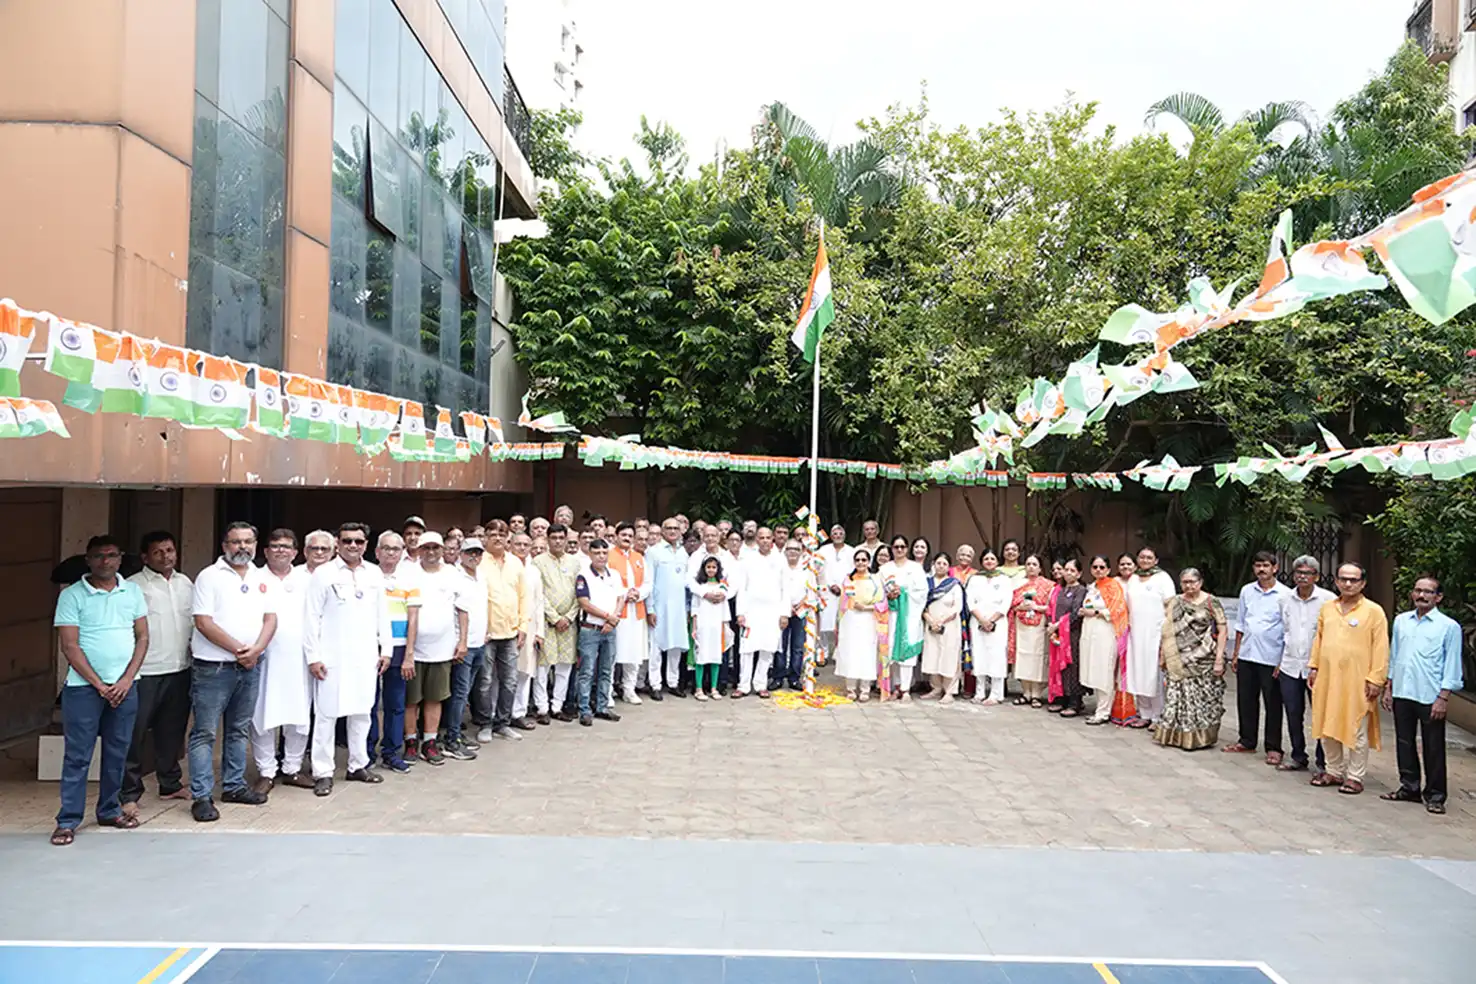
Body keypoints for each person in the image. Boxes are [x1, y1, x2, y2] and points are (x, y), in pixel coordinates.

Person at [50, 536, 149, 846]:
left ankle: (109, 810)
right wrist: (100, 685)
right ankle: (68, 820)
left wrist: (126, 680)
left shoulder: (132, 591)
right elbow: (70, 646)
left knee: (118, 752)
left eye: (111, 555)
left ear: (120, 559)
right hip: (84, 689)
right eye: (98, 556)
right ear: (88, 560)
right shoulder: (72, 595)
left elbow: (143, 637)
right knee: (78, 756)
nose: (105, 561)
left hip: (125, 687)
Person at [188, 522, 277, 822]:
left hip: (251, 666)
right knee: (205, 732)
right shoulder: (209, 576)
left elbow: (271, 619)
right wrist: (242, 651)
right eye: (236, 542)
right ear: (224, 545)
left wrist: (256, 650)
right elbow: (203, 622)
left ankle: (234, 786)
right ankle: (201, 796)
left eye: (248, 541)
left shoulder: (261, 576)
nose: (242, 547)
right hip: (214, 668)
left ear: (255, 544)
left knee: (239, 729)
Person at [303, 522, 392, 794]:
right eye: (347, 541)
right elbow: (311, 617)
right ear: (338, 544)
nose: (353, 545)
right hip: (331, 656)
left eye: (358, 541)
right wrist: (313, 656)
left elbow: (383, 613)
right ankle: (323, 772)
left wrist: (386, 650)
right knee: (326, 715)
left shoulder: (374, 573)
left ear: (366, 544)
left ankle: (357, 765)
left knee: (362, 712)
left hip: (366, 656)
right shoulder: (324, 573)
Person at [121, 531, 193, 818]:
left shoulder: (185, 583)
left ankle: (170, 783)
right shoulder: (132, 587)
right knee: (134, 734)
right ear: (145, 557)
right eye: (158, 552)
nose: (166, 556)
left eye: (170, 550)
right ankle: (128, 793)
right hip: (145, 671)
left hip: (179, 668)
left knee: (172, 731)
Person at [1381, 575, 1463, 815]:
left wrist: (1443, 697)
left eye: (1428, 592)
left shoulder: (1448, 627)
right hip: (1403, 691)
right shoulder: (1401, 621)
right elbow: (1395, 655)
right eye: (1418, 590)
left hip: (1431, 695)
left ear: (1438, 597)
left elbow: (1452, 664)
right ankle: (1409, 787)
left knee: (1433, 746)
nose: (1422, 595)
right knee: (1404, 742)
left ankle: (1436, 795)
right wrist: (1389, 687)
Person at [249, 529, 320, 793]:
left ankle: (292, 768)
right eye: (275, 546)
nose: (281, 550)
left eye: (286, 546)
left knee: (298, 716)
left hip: (300, 659)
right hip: (264, 658)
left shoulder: (307, 579)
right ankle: (266, 772)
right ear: (265, 551)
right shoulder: (254, 578)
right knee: (261, 715)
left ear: (295, 552)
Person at [1309, 563, 1389, 796]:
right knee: (1326, 724)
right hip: (1328, 677)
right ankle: (1333, 771)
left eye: (1353, 580)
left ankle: (1355, 776)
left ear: (1363, 583)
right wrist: (1314, 667)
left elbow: (1381, 647)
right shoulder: (1328, 608)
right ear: (1336, 581)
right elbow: (1318, 640)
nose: (1348, 583)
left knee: (1357, 729)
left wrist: (1376, 679)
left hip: (1358, 681)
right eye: (1343, 579)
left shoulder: (1373, 611)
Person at [405, 532, 469, 766]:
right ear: (419, 550)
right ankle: (410, 742)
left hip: (443, 649)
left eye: (435, 548)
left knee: (435, 698)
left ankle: (429, 742)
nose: (431, 552)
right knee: (411, 700)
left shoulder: (452, 573)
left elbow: (463, 610)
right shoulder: (409, 572)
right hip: (413, 649)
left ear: (442, 550)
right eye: (426, 548)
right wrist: (408, 652)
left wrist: (462, 642)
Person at [1223, 552, 1292, 764]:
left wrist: (1282, 661)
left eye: (1265, 565)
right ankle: (1247, 740)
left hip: (1271, 657)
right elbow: (1241, 623)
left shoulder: (1285, 594)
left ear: (1275, 568)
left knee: (1273, 703)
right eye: (1258, 565)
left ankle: (1273, 747)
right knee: (1245, 699)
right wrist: (1236, 654)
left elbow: (1288, 630)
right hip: (1247, 653)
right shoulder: (1247, 590)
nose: (1261, 569)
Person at [1153, 568, 1229, 750]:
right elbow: (1167, 631)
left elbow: (1223, 629)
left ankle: (1201, 738)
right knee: (1177, 698)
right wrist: (1163, 655)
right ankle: (1177, 737)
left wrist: (1219, 659)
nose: (1188, 586)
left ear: (1200, 582)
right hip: (1177, 658)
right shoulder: (1175, 602)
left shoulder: (1211, 601)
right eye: (1185, 582)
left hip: (1203, 658)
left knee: (1204, 699)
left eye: (1192, 582)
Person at [1276, 555, 1334, 772]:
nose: (1302, 577)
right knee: (1293, 713)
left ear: (1316, 576)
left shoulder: (1328, 600)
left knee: (1320, 714)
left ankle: (1323, 760)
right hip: (1290, 665)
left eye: (1308, 573)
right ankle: (1298, 755)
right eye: (1299, 573)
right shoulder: (1285, 599)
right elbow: (1284, 631)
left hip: (1317, 668)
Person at [475, 520, 527, 743]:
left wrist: (523, 626)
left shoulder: (515, 563)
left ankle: (503, 724)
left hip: (511, 632)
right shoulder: (479, 562)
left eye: (502, 534)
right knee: (485, 681)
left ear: (508, 538)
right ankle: (485, 723)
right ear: (485, 537)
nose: (497, 538)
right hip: (487, 633)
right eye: (493, 534)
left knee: (510, 680)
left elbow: (523, 597)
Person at [372, 531, 420, 772]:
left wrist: (409, 654)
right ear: (377, 551)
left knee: (396, 702)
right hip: (371, 645)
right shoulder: (368, 575)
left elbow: (413, 619)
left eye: (396, 549)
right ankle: (366, 752)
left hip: (400, 647)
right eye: (386, 548)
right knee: (369, 703)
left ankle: (391, 752)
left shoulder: (409, 578)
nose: (391, 553)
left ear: (402, 553)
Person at [445, 538, 488, 760]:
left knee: (466, 692)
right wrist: (461, 642)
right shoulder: (455, 576)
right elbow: (459, 610)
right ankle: (452, 739)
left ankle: (457, 735)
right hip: (464, 645)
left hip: (479, 642)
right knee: (459, 693)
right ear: (461, 554)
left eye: (478, 553)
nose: (474, 557)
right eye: (470, 552)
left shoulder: (481, 576)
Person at [533, 524, 581, 722]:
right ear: (547, 539)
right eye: (554, 538)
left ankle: (557, 706)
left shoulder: (575, 563)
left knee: (564, 666)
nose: (558, 541)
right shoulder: (538, 562)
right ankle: (542, 708)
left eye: (562, 538)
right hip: (546, 622)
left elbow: (580, 593)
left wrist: (568, 617)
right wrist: (554, 617)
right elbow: (539, 594)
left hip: (568, 623)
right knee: (543, 668)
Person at [1124, 547, 1175, 728]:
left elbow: (1171, 607)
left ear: (1156, 560)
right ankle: (1144, 713)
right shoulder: (1133, 579)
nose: (1145, 560)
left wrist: (1166, 633)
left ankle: (1157, 716)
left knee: (1154, 675)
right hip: (1135, 634)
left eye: (1149, 557)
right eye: (1142, 557)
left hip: (1155, 634)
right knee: (1137, 673)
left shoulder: (1163, 578)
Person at [575, 538, 622, 726]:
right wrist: (607, 617)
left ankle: (602, 706)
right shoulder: (583, 575)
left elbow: (620, 598)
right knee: (586, 671)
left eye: (604, 552)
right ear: (590, 554)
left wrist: (613, 619)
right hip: (591, 629)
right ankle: (584, 710)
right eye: (597, 553)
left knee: (606, 669)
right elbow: (584, 603)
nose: (601, 556)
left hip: (610, 629)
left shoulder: (614, 575)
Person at [735, 527, 786, 698]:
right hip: (751, 611)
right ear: (756, 540)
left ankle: (760, 684)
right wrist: (740, 612)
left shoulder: (780, 560)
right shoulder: (747, 559)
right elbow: (742, 587)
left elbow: (785, 588)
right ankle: (743, 685)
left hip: (772, 612)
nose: (765, 541)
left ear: (772, 540)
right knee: (746, 650)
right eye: (761, 537)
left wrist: (784, 613)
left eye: (768, 537)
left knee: (767, 648)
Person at [1080, 556, 1131, 726]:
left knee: (1104, 670)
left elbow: (1118, 609)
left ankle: (1104, 711)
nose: (1098, 570)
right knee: (1093, 669)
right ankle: (1099, 707)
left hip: (1106, 633)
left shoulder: (1113, 586)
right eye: (1095, 567)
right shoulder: (1092, 587)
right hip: (1090, 632)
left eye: (1102, 567)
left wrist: (1096, 613)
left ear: (1108, 569)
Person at [606, 523, 651, 704]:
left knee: (634, 653)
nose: (627, 538)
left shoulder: (638, 557)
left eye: (630, 536)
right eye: (623, 535)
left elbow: (648, 583)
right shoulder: (608, 556)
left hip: (636, 612)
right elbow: (607, 583)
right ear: (616, 536)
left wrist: (638, 593)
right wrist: (626, 594)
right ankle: (607, 691)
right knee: (612, 654)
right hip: (617, 613)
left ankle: (629, 689)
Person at [878, 539, 926, 700]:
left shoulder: (916, 568)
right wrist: (889, 595)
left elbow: (922, 593)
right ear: (892, 549)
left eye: (902, 547)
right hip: (891, 615)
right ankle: (895, 687)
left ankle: (906, 689)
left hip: (909, 615)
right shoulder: (885, 569)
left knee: (906, 651)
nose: (899, 549)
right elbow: (878, 592)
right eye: (896, 547)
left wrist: (903, 593)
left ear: (907, 549)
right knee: (892, 649)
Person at [647, 517, 689, 698]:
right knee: (656, 647)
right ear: (662, 531)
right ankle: (655, 684)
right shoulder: (653, 552)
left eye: (675, 528)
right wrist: (650, 609)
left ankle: (673, 682)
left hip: (679, 608)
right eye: (668, 528)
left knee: (676, 645)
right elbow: (649, 582)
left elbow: (686, 583)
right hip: (659, 607)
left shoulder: (683, 553)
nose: (672, 531)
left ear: (680, 531)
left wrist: (688, 608)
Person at [836, 548, 885, 701]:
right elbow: (842, 602)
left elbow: (882, 603)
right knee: (850, 651)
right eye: (857, 560)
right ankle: (850, 688)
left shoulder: (875, 580)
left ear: (869, 562)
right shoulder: (848, 579)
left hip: (868, 618)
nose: (860, 563)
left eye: (864, 560)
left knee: (867, 652)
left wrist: (866, 607)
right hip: (850, 618)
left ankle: (865, 688)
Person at [967, 549, 1013, 706]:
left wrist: (991, 620)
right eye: (986, 558)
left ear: (997, 561)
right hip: (977, 621)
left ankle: (996, 694)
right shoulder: (974, 579)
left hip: (998, 622)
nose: (989, 561)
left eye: (992, 559)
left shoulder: (1004, 579)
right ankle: (979, 692)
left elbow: (1006, 602)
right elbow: (970, 601)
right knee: (978, 654)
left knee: (997, 656)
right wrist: (982, 620)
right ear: (981, 561)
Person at [1008, 555, 1054, 707]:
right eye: (1028, 564)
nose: (1031, 567)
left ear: (1040, 568)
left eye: (1034, 564)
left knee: (1037, 658)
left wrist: (1036, 607)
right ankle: (1026, 692)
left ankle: (1036, 694)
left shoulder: (1048, 586)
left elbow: (1052, 606)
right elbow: (1010, 605)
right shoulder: (1018, 584)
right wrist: (1019, 607)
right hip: (1021, 625)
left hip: (1039, 625)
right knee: (1022, 657)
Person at [508, 532, 544, 728]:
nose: (522, 548)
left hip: (529, 628)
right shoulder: (505, 566)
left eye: (526, 545)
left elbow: (539, 602)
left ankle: (518, 712)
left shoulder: (534, 571)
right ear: (510, 545)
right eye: (518, 544)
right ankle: (497, 714)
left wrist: (540, 632)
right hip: (506, 626)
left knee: (524, 672)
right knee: (501, 674)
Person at [920, 552, 965, 704]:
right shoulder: (927, 584)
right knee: (932, 654)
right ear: (934, 564)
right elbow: (922, 605)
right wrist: (930, 620)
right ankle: (936, 688)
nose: (941, 566)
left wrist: (941, 621)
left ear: (948, 567)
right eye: (938, 563)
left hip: (949, 625)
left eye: (944, 564)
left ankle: (949, 690)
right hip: (931, 624)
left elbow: (957, 607)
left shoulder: (954, 584)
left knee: (949, 655)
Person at [1047, 558, 1087, 716]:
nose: (1068, 573)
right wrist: (1051, 626)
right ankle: (1061, 698)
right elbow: (1052, 609)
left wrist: (1057, 625)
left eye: (1072, 570)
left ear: (1079, 573)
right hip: (1058, 634)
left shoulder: (1081, 590)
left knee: (1072, 666)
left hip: (1072, 635)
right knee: (1058, 665)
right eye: (1066, 570)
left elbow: (1076, 613)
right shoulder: (1060, 590)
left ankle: (1075, 702)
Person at [690, 556, 731, 700]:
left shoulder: (722, 587)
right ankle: (699, 688)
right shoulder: (700, 587)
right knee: (701, 657)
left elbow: (725, 608)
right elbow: (695, 608)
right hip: (703, 626)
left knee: (715, 657)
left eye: (714, 567)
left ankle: (714, 688)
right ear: (704, 569)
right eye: (708, 567)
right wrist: (694, 628)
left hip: (716, 627)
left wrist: (725, 626)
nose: (711, 570)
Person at [817, 525, 854, 665]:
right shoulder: (823, 550)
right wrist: (830, 585)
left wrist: (842, 586)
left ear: (844, 535)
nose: (838, 535)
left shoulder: (851, 551)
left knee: (843, 625)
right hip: (826, 591)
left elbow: (853, 571)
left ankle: (839, 654)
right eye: (835, 533)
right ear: (831, 536)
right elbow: (819, 569)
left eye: (840, 533)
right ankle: (823, 654)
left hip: (845, 592)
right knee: (824, 625)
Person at [778, 540, 811, 691]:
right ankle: (778, 677)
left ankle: (794, 678)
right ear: (784, 551)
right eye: (789, 548)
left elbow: (811, 590)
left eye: (796, 549)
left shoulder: (806, 570)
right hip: (782, 611)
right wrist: (786, 607)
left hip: (800, 611)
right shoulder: (779, 568)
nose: (792, 552)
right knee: (780, 645)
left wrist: (801, 603)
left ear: (801, 552)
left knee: (797, 646)